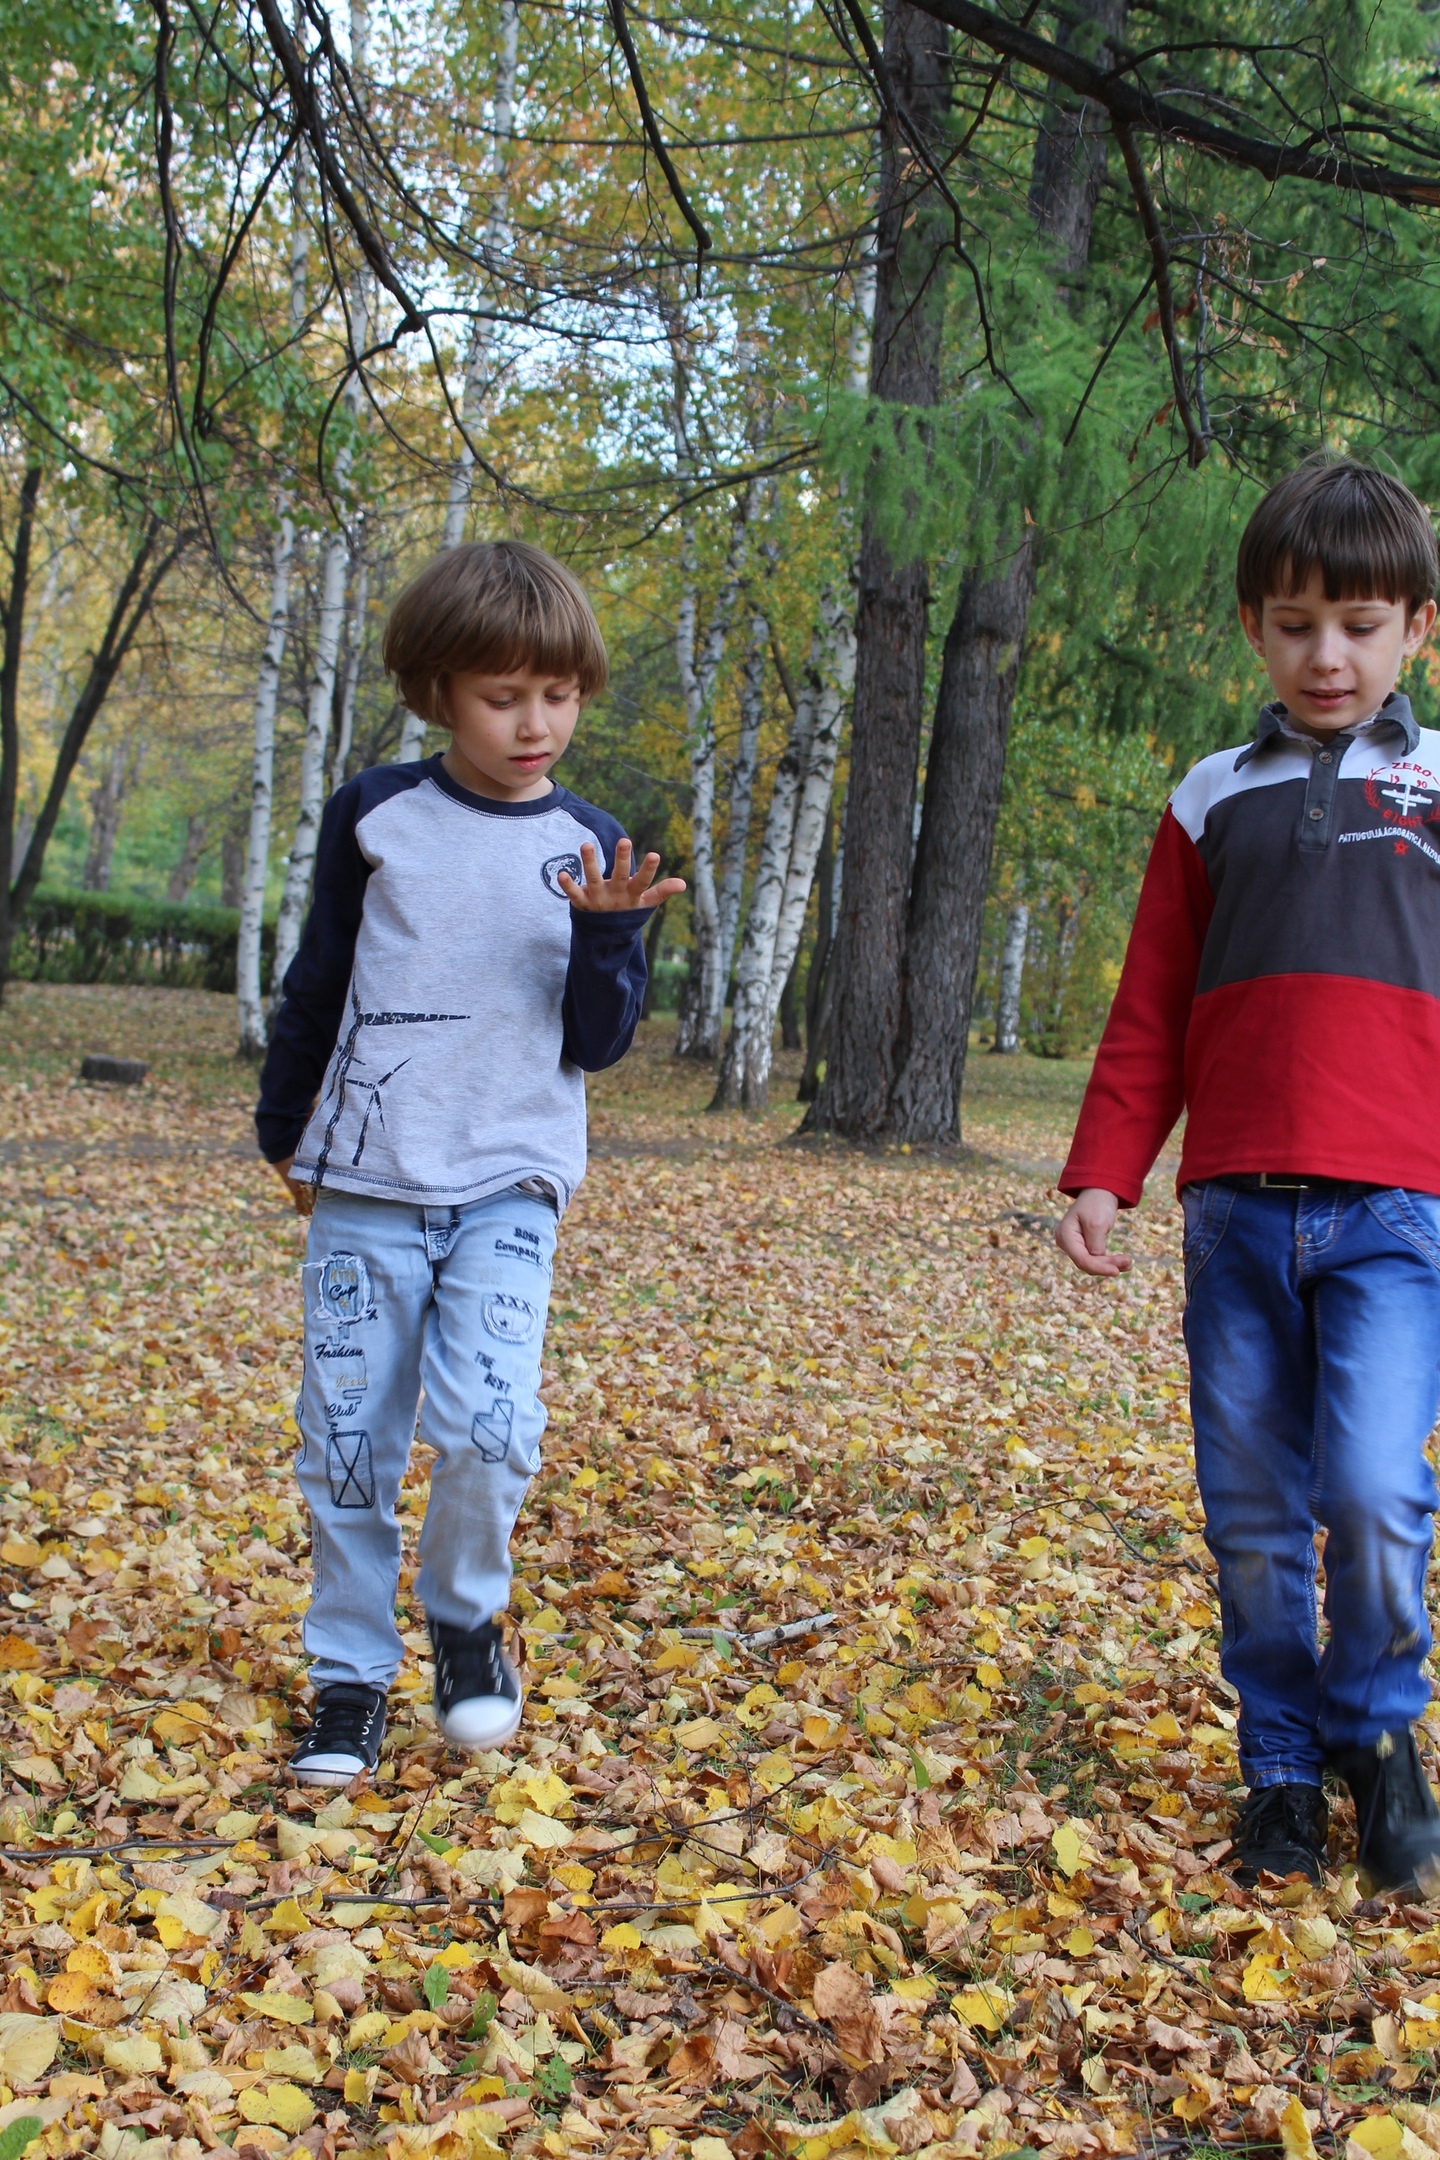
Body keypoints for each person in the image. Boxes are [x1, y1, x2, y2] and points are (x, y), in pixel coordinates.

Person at [1055, 456, 1440, 1893]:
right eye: (1295, 625)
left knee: (1375, 1490)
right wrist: (1104, 1170)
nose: (1327, 655)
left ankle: (1377, 1729)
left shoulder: (1436, 787)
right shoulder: (1210, 797)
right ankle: (1280, 1765)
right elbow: (1152, 1005)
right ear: (1252, 630)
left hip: (1398, 1208)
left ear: (1417, 629)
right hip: (1233, 1216)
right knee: (1259, 1518)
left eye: (1360, 624)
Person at [254, 540, 683, 1785]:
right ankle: (347, 1678)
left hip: (509, 1185)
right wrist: (284, 1127)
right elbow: (320, 977)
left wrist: (610, 942)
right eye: (504, 697)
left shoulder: (592, 844)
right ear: (437, 691)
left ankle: (462, 1616)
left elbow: (596, 1044)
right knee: (348, 1442)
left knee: (492, 1429)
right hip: (369, 1182)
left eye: (560, 695)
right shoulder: (375, 814)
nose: (536, 724)